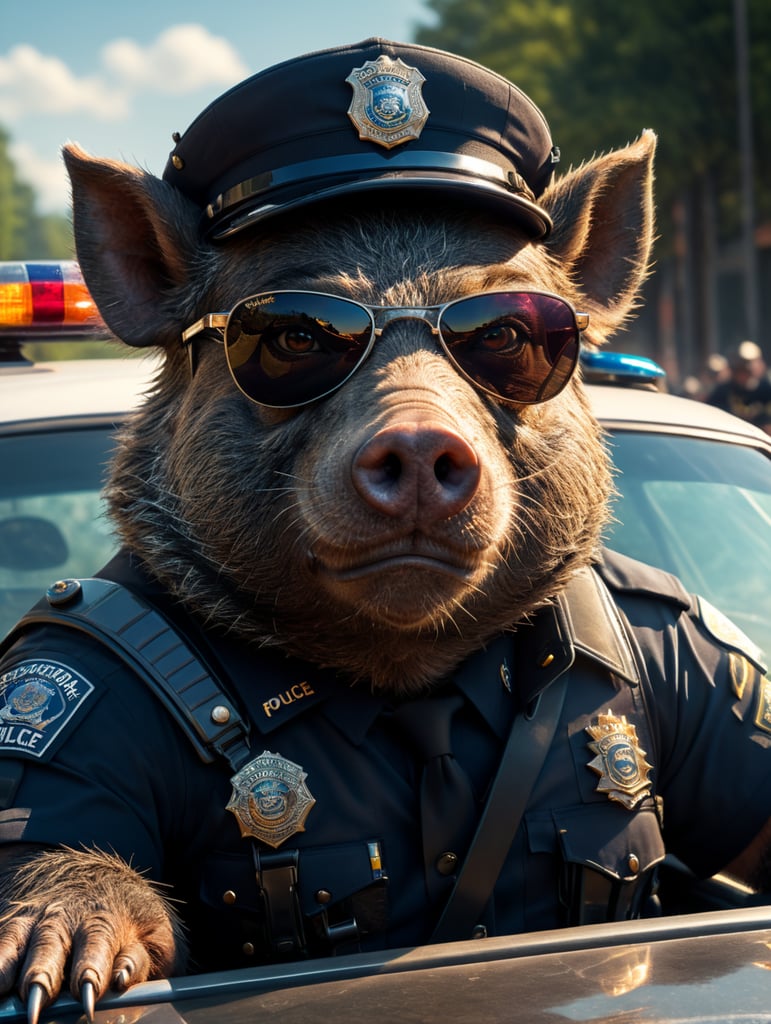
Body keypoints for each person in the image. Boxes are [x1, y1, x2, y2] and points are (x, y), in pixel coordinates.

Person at [0, 37, 770, 1024]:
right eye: (295, 341)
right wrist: (83, 896)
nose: (418, 434)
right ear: (148, 276)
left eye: (503, 340)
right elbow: (37, 865)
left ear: (592, 276)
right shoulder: (101, 685)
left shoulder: (638, 647)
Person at [706, 341, 771, 432]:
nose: (747, 371)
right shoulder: (723, 392)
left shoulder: (767, 390)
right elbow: (710, 418)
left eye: (750, 366)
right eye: (741, 368)